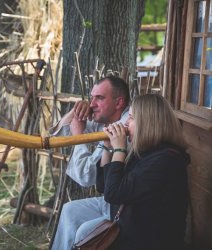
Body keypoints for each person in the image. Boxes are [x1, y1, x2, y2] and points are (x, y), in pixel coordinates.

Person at [53, 93, 189, 250]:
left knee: (85, 233)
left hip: (149, 239)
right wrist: (107, 147)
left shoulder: (166, 160)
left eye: (130, 118)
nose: (126, 124)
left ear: (147, 122)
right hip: (132, 224)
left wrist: (119, 148)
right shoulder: (146, 151)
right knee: (75, 216)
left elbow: (113, 193)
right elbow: (104, 186)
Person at [50, 75, 130, 249]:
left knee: (83, 230)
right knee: (70, 210)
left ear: (119, 103)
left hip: (125, 208)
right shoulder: (108, 119)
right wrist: (76, 111)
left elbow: (85, 176)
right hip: (112, 202)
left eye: (99, 98)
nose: (92, 104)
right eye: (91, 97)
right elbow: (60, 134)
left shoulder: (122, 127)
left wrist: (79, 138)